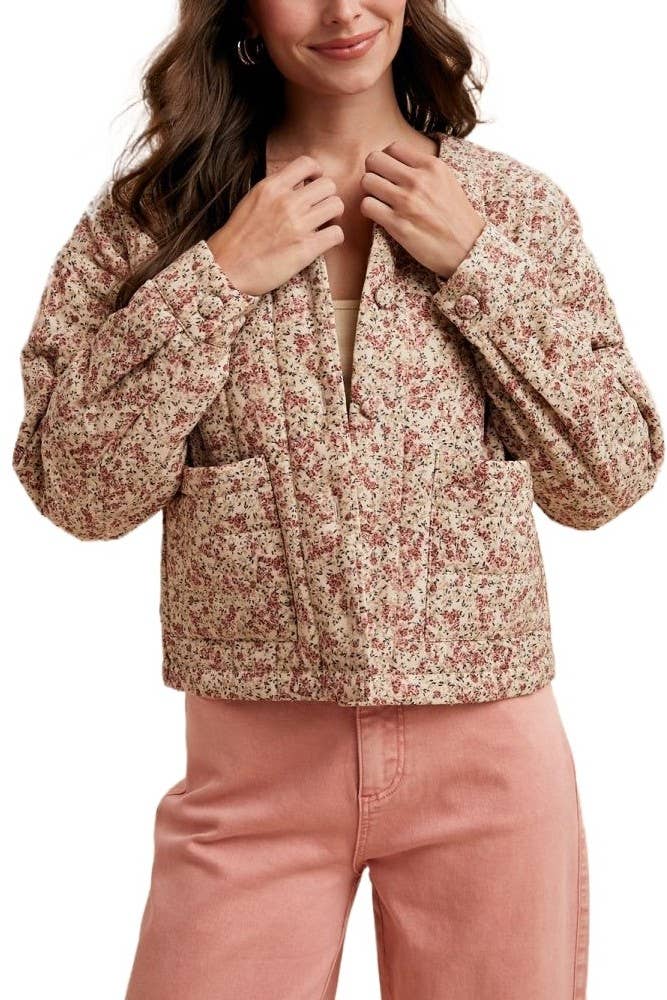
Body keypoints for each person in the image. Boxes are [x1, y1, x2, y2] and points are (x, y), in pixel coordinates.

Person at [11, 2, 663, 998]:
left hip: (488, 765)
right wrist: (218, 279)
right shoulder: (159, 217)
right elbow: (78, 490)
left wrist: (477, 263)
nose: (342, 8)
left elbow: (607, 476)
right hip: (249, 774)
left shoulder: (513, 209)